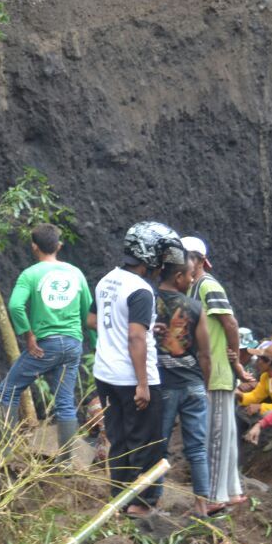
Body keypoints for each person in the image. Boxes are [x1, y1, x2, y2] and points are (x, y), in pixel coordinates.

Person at [92, 221, 178, 516]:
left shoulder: (106, 280)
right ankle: (142, 506)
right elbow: (134, 336)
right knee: (147, 442)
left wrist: (134, 328)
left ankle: (120, 502)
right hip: (133, 378)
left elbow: (93, 321)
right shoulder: (141, 290)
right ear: (150, 253)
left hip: (105, 374)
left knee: (120, 440)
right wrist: (143, 384)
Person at [2, 223, 92, 457]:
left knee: (8, 390)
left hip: (46, 345)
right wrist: (94, 341)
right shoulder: (76, 273)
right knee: (65, 402)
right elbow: (88, 313)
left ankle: (6, 452)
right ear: (59, 246)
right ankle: (66, 462)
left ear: (34, 247)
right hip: (73, 345)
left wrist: (28, 335)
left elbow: (14, 305)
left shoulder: (30, 274)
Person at [181, 236, 251, 514]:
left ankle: (214, 495)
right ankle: (231, 491)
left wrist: (234, 358)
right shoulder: (192, 288)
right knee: (224, 431)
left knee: (215, 433)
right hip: (210, 369)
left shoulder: (208, 286)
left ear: (197, 261)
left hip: (217, 370)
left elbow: (230, 322)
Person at [149, 257, 211, 518]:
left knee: (158, 444)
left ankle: (154, 502)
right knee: (197, 447)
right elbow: (205, 353)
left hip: (163, 385)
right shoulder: (195, 308)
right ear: (178, 277)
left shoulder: (148, 302)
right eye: (189, 276)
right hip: (193, 384)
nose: (192, 280)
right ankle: (201, 506)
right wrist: (205, 385)